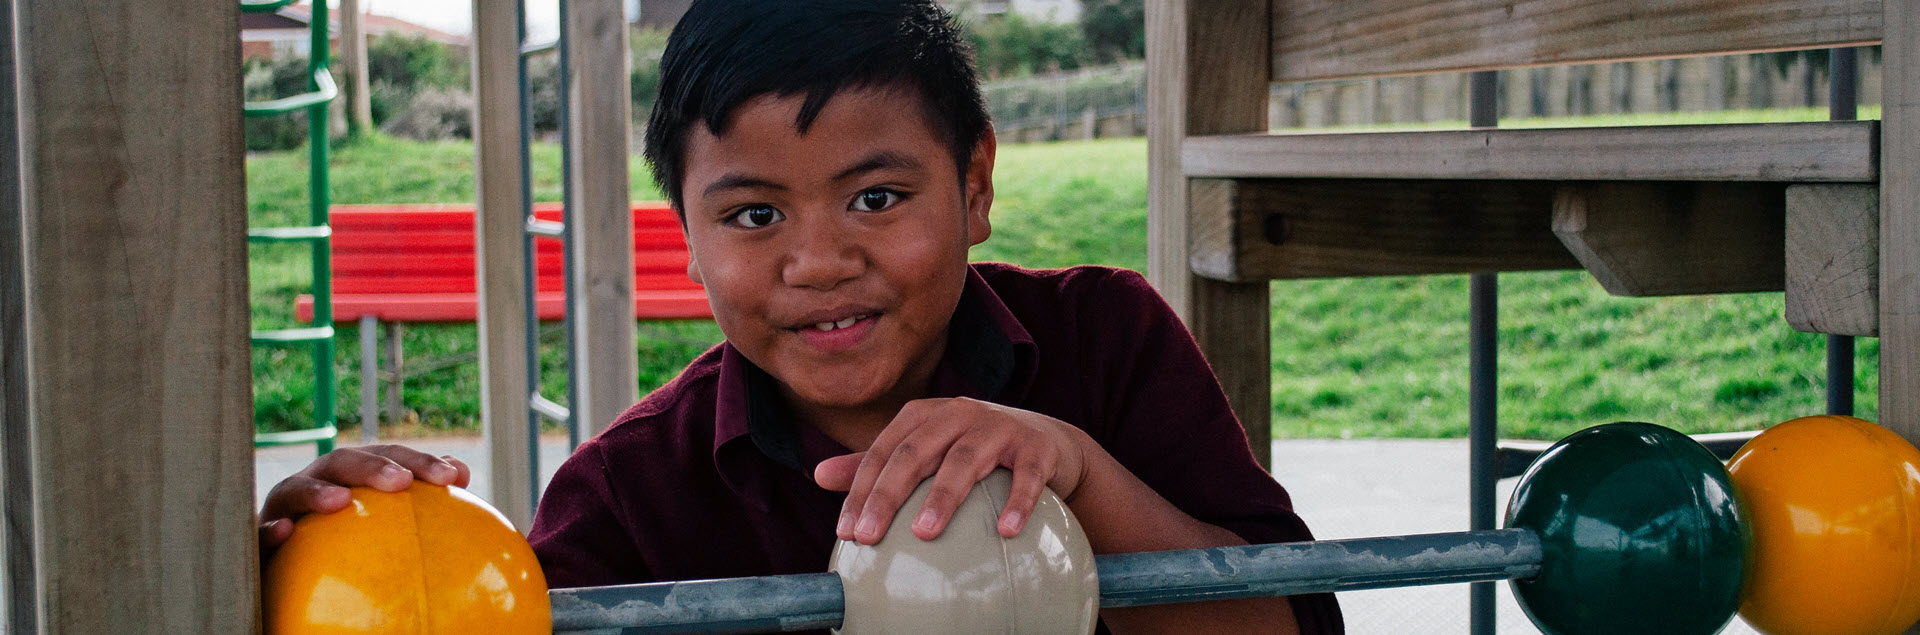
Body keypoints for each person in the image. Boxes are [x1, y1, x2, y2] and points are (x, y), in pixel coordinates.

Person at [259, 0, 1341, 631]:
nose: (820, 261)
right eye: (756, 212)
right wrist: (297, 575)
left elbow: (1292, 627)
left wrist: (1078, 468)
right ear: (685, 230)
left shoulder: (1106, 341)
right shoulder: (628, 494)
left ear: (974, 183)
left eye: (878, 197)